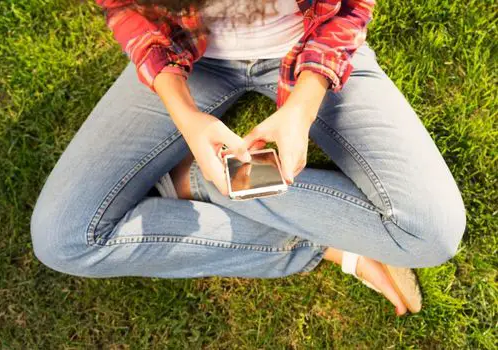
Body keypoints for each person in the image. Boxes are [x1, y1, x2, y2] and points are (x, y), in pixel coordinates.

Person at [30, 0, 466, 315]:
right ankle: (326, 242)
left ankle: (193, 182)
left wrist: (302, 106)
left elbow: (351, 7)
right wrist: (187, 118)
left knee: (428, 233)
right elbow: (127, 10)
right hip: (190, 61)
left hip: (309, 46)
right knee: (65, 238)